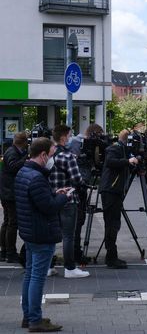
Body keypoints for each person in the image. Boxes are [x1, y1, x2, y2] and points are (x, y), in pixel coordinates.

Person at [16, 137, 71, 332]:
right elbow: (48, 207)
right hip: (41, 232)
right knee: (37, 277)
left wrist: (55, 192)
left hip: (30, 232)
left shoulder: (24, 172)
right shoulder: (37, 177)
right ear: (43, 155)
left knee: (30, 275)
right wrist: (64, 197)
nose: (53, 159)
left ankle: (28, 316)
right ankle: (35, 320)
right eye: (52, 154)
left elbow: (37, 200)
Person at [49, 125, 90, 278]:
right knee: (68, 235)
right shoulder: (67, 156)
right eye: (69, 135)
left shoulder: (49, 154)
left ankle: (49, 266)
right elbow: (77, 179)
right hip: (68, 199)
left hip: (51, 199)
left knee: (52, 234)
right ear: (64, 137)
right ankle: (70, 268)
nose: (70, 138)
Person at [99, 130, 139, 269]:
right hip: (111, 190)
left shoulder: (122, 149)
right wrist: (127, 161)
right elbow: (110, 162)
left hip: (114, 190)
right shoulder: (114, 148)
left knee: (114, 223)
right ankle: (111, 257)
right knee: (111, 223)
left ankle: (112, 256)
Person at [68, 123, 104, 265]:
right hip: (77, 185)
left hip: (82, 183)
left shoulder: (80, 142)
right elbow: (72, 161)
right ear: (93, 134)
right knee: (76, 220)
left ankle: (76, 251)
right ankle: (74, 253)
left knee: (79, 220)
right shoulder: (76, 143)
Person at [0, 132, 28, 264]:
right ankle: (10, 252)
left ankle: (4, 251)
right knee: (12, 223)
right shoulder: (12, 152)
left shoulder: (11, 150)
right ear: (23, 142)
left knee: (7, 222)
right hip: (10, 193)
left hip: (6, 192)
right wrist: (26, 158)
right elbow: (13, 167)